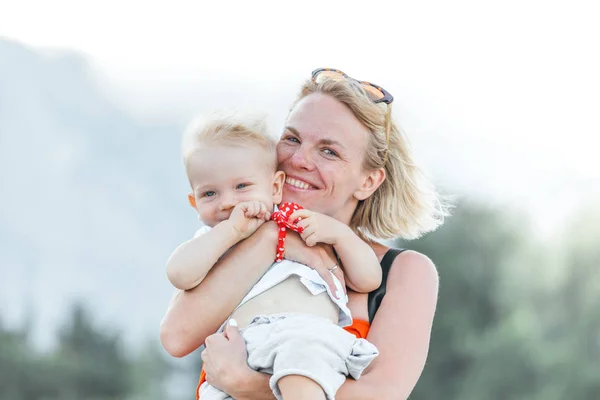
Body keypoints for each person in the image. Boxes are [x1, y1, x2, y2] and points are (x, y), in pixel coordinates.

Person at [160, 68, 448, 400]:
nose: (298, 160)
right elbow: (176, 337)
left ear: (368, 181)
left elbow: (381, 394)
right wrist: (274, 241)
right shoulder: (234, 237)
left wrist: (247, 384)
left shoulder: (404, 272)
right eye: (292, 138)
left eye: (329, 151)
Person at [166, 114, 383, 399]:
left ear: (275, 187)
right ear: (194, 202)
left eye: (242, 187)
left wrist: (341, 235)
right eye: (209, 193)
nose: (228, 201)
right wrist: (230, 233)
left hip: (305, 337)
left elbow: (368, 279)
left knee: (304, 364)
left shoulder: (307, 227)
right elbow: (178, 274)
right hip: (245, 343)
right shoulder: (213, 240)